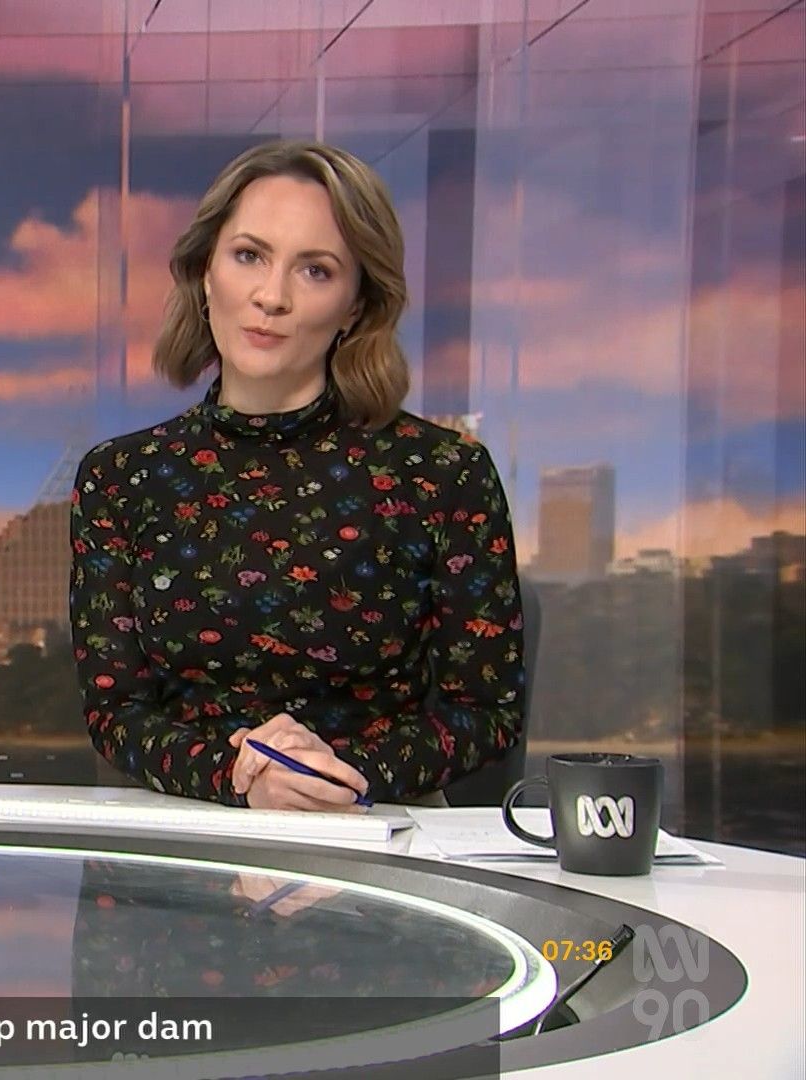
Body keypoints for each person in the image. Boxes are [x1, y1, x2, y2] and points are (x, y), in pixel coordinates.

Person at [70, 140, 524, 812]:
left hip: (374, 821)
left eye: (315, 270)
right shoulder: (121, 479)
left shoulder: (444, 474)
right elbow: (117, 712)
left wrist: (335, 774)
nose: (271, 296)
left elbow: (486, 711)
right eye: (249, 256)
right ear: (205, 272)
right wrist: (239, 776)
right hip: (191, 827)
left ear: (356, 306)